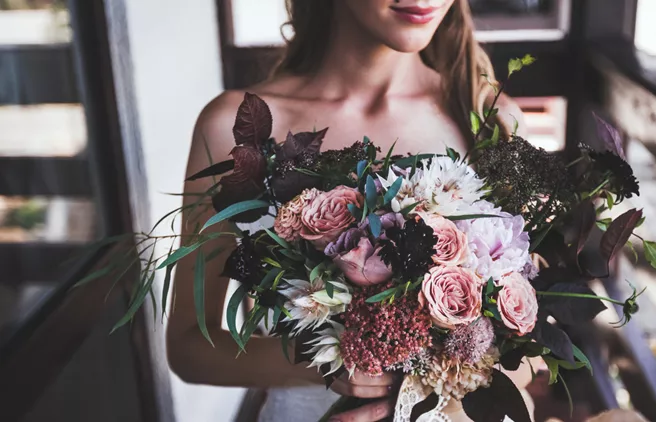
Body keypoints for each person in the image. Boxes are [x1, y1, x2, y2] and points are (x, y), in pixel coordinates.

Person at [167, 1, 534, 421]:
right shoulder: (231, 127)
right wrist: (322, 363)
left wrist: (423, 382)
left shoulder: (489, 119)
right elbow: (188, 348)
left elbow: (528, 347)